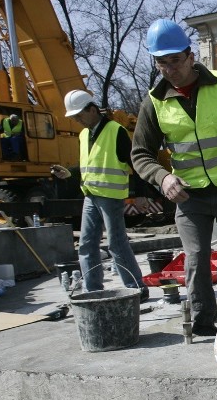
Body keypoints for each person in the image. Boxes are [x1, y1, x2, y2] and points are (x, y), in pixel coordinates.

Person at [130, 18, 217, 336]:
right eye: (162, 63)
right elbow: (140, 154)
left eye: (176, 61)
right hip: (189, 196)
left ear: (190, 56)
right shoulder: (154, 104)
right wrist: (163, 178)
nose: (170, 69)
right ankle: (203, 324)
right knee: (195, 259)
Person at [54, 90, 149, 301]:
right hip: (90, 194)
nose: (77, 120)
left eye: (80, 115)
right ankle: (93, 291)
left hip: (111, 196)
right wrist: (69, 174)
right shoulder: (83, 135)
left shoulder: (116, 131)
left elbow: (136, 163)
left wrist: (142, 194)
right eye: (74, 117)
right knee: (87, 244)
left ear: (93, 109)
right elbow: (89, 164)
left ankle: (136, 287)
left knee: (116, 243)